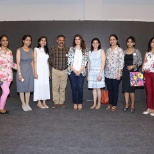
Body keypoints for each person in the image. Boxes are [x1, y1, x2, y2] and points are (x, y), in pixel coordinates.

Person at [67, 34, 88, 110]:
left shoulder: (85, 50)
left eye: (78, 39)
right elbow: (69, 61)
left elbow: (85, 62)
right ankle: (75, 103)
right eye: (76, 39)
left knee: (80, 87)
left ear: (81, 40)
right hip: (72, 71)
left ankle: (80, 102)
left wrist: (79, 71)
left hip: (81, 72)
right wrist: (74, 70)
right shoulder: (71, 49)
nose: (77, 40)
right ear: (74, 41)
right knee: (74, 87)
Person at [122, 36, 142, 113]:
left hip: (134, 72)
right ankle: (126, 104)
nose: (129, 43)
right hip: (125, 72)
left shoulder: (137, 51)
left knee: (132, 91)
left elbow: (140, 61)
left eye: (131, 42)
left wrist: (133, 66)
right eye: (128, 42)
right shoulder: (124, 51)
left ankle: (132, 105)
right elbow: (121, 62)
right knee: (125, 90)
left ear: (134, 43)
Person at [105, 34, 124, 111]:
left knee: (115, 89)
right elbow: (106, 62)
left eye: (113, 39)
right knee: (109, 89)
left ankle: (114, 104)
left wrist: (119, 73)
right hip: (108, 73)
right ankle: (110, 103)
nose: (112, 41)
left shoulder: (120, 50)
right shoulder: (108, 50)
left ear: (116, 40)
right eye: (111, 40)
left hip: (116, 73)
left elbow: (121, 62)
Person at [49, 35, 68, 109]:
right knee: (55, 87)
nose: (61, 41)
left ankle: (62, 102)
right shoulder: (53, 49)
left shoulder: (67, 49)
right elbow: (49, 59)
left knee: (63, 87)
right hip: (55, 70)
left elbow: (70, 60)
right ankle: (56, 102)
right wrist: (54, 65)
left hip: (64, 71)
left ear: (64, 41)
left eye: (63, 40)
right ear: (57, 41)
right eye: (60, 40)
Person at [16, 35, 34, 112]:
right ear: (23, 41)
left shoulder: (31, 50)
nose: (28, 41)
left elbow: (32, 62)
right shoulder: (19, 50)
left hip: (29, 70)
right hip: (22, 70)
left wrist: (33, 72)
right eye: (27, 40)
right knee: (22, 88)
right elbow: (18, 63)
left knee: (28, 88)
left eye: (29, 40)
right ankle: (23, 104)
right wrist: (19, 74)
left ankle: (27, 103)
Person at [0, 35, 17, 114]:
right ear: (0, 42)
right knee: (6, 92)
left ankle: (2, 107)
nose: (5, 42)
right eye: (3, 40)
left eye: (6, 40)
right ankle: (1, 108)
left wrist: (19, 67)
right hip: (1, 76)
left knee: (5, 93)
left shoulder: (10, 52)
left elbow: (11, 64)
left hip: (9, 76)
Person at [87, 38, 106, 109]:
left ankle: (99, 104)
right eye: (93, 43)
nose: (95, 44)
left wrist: (100, 74)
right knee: (94, 89)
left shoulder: (101, 51)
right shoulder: (89, 52)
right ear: (92, 44)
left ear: (99, 44)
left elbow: (103, 63)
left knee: (98, 89)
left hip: (99, 72)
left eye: (96, 43)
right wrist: (88, 74)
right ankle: (94, 103)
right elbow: (88, 63)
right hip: (92, 72)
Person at [33, 36, 50, 109]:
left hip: (45, 70)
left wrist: (49, 71)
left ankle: (44, 102)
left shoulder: (46, 50)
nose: (43, 42)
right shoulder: (36, 49)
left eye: (45, 40)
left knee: (45, 85)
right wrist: (35, 72)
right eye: (42, 40)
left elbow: (47, 62)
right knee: (38, 85)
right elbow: (34, 61)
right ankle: (39, 102)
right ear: (39, 42)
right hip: (39, 69)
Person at [142, 37, 154, 116]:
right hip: (147, 74)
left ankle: (153, 109)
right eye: (152, 42)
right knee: (148, 92)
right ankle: (148, 108)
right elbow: (144, 63)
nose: (153, 43)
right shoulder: (147, 53)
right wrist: (143, 75)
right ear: (150, 43)